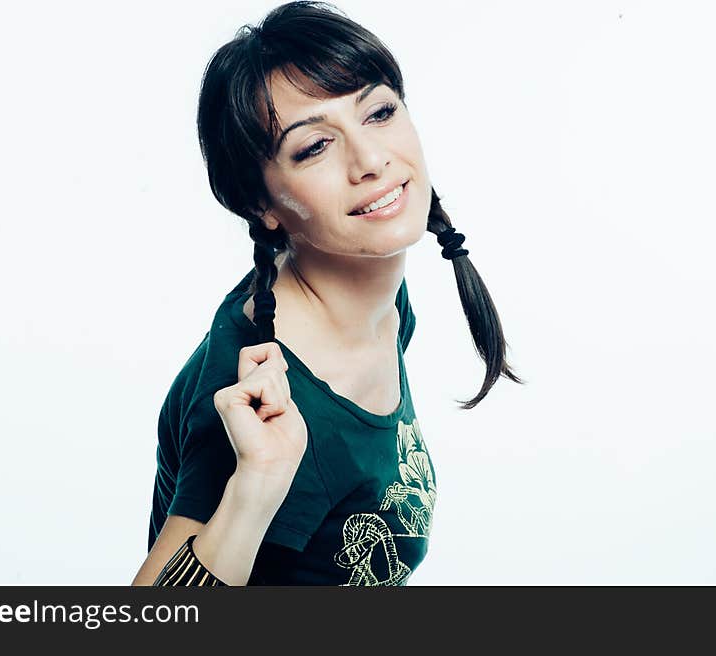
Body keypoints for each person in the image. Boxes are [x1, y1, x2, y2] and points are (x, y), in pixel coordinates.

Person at [131, 1, 522, 586]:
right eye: (314, 147)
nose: (370, 160)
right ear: (260, 204)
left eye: (380, 112)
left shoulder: (375, 294)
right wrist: (258, 482)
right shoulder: (264, 393)